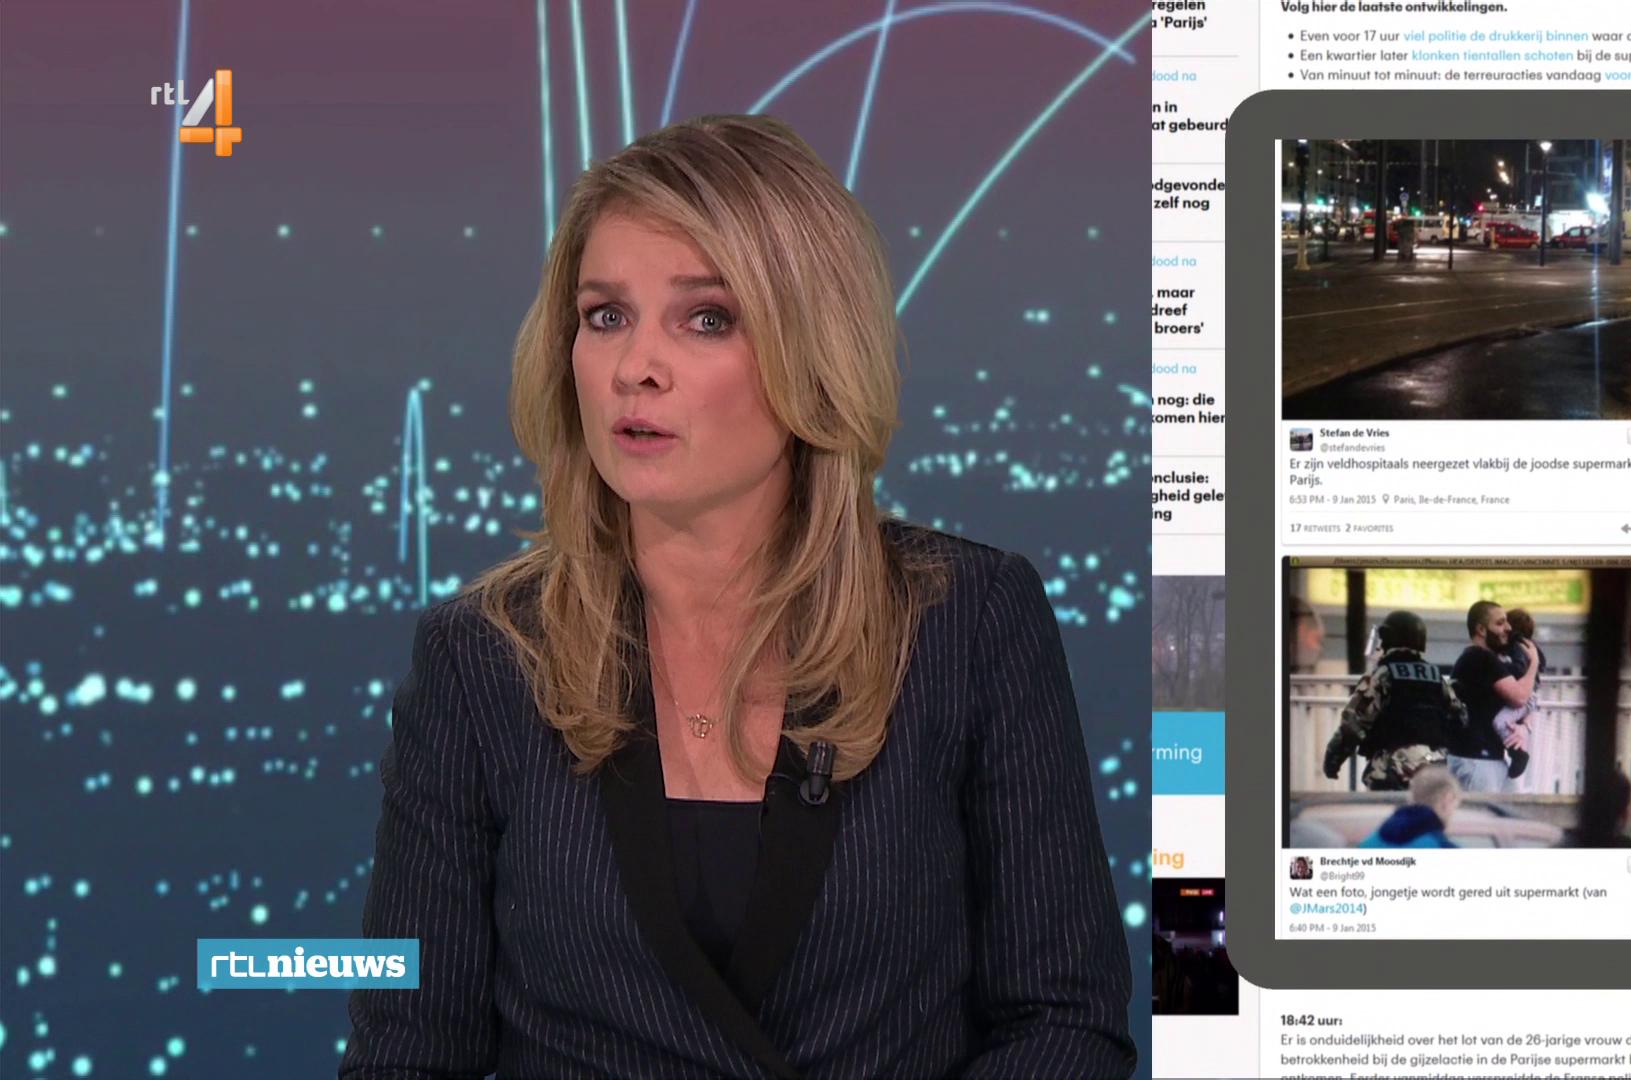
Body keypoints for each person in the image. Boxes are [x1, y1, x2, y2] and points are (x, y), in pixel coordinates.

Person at [340, 115, 1134, 1079]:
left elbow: (1063, 1024)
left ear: (813, 350)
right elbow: (408, 1056)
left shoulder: (968, 621)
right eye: (605, 316)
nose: (635, 367)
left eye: (706, 318)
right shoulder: (482, 658)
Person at [1322, 610, 1467, 790]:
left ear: (1390, 638)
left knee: (1385, 804)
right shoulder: (1435, 675)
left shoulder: (1383, 673)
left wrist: (1333, 760)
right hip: (1435, 765)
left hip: (1393, 767)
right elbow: (1460, 717)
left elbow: (1353, 723)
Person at [1449, 600, 1538, 793]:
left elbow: (1525, 700)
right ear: (1481, 629)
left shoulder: (1488, 659)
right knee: (1482, 813)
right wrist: (1534, 663)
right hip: (1476, 760)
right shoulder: (1480, 658)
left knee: (1513, 810)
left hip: (1491, 759)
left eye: (1507, 622)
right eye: (1500, 623)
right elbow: (1520, 697)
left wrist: (1524, 727)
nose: (1508, 628)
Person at [1488, 607, 1546, 779]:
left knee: (1500, 722)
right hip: (1529, 698)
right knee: (1508, 723)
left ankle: (1518, 754)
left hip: (1526, 697)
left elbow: (1519, 670)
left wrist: (1502, 668)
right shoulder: (1530, 647)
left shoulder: (1518, 648)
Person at [1359, 764, 1462, 848]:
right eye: (1455, 803)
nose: (1454, 811)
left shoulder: (1368, 843)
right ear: (1447, 798)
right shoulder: (1443, 849)